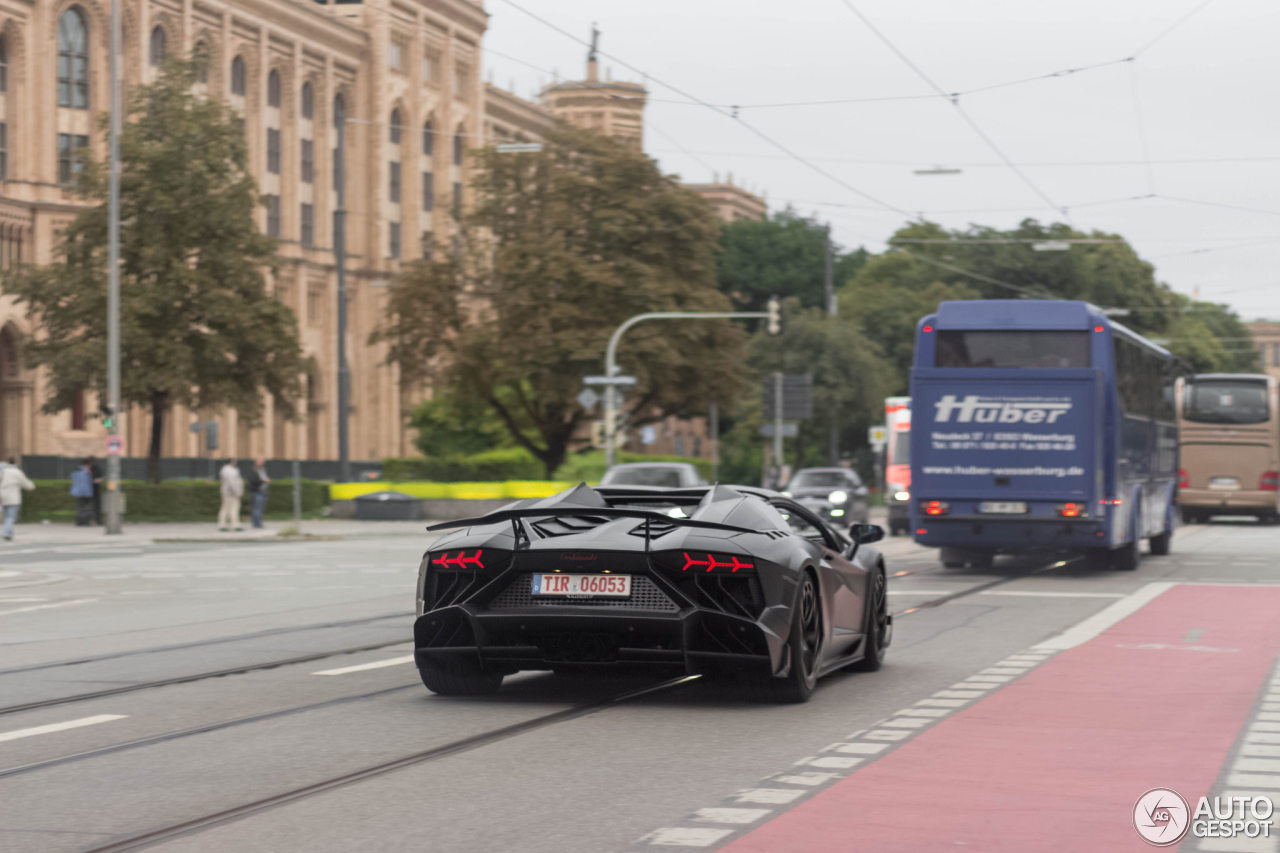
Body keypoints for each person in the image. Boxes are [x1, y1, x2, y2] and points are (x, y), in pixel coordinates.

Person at [0, 457, 35, 541]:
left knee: (6, 517)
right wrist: (32, 486)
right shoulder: (17, 472)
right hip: (13, 497)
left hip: (2, 497)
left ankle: (9, 533)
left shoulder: (3, 471)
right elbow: (27, 484)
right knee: (10, 517)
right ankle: (6, 533)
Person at [218, 458, 244, 531]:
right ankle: (235, 525)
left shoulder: (224, 470)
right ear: (232, 462)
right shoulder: (231, 471)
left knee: (225, 508)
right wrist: (237, 492)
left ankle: (222, 524)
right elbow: (232, 482)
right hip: (232, 493)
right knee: (234, 509)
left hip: (226, 492)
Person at [247, 458, 271, 529]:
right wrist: (263, 481)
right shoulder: (254, 471)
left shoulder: (263, 470)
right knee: (257, 508)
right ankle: (256, 523)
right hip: (257, 492)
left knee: (261, 508)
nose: (262, 463)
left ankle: (258, 521)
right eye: (260, 462)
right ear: (256, 463)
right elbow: (253, 481)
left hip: (264, 491)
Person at [70, 459, 95, 526]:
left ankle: (80, 521)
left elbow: (73, 480)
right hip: (85, 491)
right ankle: (84, 521)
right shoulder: (85, 471)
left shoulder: (77, 470)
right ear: (88, 464)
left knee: (81, 507)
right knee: (85, 507)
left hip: (80, 491)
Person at [88, 455, 104, 525]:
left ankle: (96, 520)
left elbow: (100, 479)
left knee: (93, 506)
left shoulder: (94, 468)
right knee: (96, 507)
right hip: (94, 490)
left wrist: (93, 481)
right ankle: (97, 520)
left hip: (92, 490)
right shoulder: (96, 468)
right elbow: (101, 478)